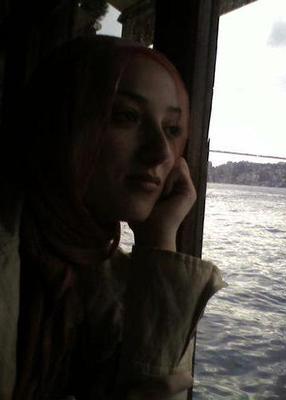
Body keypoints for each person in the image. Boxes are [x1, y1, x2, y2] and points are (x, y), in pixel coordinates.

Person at [0, 35, 225, 400]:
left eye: (172, 130)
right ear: (62, 124)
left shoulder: (105, 283)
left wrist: (159, 240)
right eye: (126, 116)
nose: (161, 152)